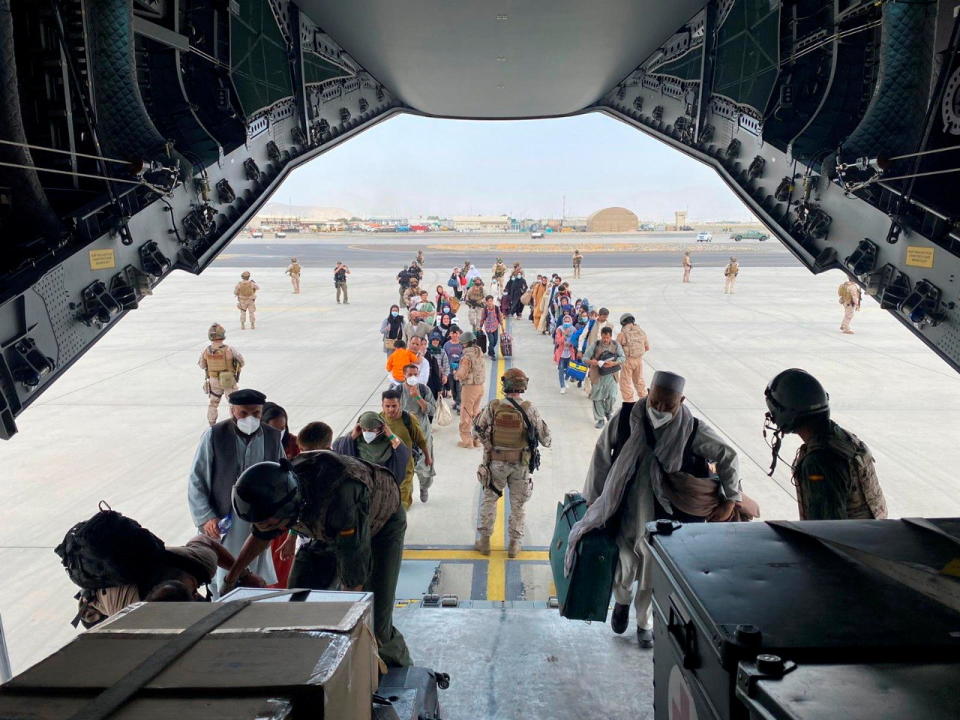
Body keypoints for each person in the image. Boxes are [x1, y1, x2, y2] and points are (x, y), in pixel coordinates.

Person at [572, 371, 742, 648]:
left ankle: (644, 623)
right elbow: (602, 453)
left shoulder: (693, 430)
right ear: (648, 392)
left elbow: (728, 456)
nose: (661, 409)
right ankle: (621, 604)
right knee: (623, 563)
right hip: (624, 507)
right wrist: (595, 497)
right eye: (656, 402)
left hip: (665, 514)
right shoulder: (626, 418)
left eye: (669, 405)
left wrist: (731, 498)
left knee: (653, 572)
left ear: (682, 401)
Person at [226, 454, 412, 667]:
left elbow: (353, 575)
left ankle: (404, 672)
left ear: (288, 509)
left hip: (380, 523)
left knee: (373, 624)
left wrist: (349, 630)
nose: (265, 529)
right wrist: (231, 578)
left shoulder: (341, 497)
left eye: (269, 524)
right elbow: (260, 536)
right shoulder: (279, 492)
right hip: (327, 526)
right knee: (298, 601)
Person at [187, 388, 281, 592]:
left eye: (256, 414)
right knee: (222, 577)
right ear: (232, 411)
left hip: (257, 522)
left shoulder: (273, 437)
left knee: (254, 576)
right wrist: (206, 517)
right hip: (223, 521)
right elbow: (197, 480)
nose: (250, 419)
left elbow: (282, 478)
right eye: (243, 413)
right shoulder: (214, 436)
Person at [764, 368, 886, 520]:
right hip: (872, 536)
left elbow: (826, 529)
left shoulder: (819, 461)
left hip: (851, 541)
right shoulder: (843, 438)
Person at [72, 533, 256, 628]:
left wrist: (244, 575)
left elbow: (204, 540)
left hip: (161, 558)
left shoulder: (200, 562)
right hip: (94, 603)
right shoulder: (128, 615)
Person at [473, 368, 552, 558]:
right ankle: (514, 545)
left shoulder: (493, 406)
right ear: (523, 385)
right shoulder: (529, 408)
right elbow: (546, 440)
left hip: (496, 463)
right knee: (518, 504)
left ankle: (484, 542)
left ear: (504, 385)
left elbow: (476, 432)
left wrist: (488, 442)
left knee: (489, 500)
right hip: (521, 464)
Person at [380, 387, 432, 509]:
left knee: (401, 504)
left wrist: (428, 457)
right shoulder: (379, 420)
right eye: (387, 406)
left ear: (400, 404)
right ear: (382, 405)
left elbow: (421, 440)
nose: (391, 409)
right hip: (387, 467)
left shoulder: (408, 419)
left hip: (405, 467)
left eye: (394, 406)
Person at [332, 411, 410, 485]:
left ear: (381, 428)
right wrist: (352, 436)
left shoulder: (389, 440)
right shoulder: (355, 438)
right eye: (364, 429)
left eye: (371, 430)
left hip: (382, 485)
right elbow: (336, 447)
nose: (367, 432)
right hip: (361, 483)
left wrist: (390, 435)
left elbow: (402, 453)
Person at [399, 364, 437, 503]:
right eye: (410, 375)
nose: (412, 378)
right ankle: (405, 495)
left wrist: (418, 398)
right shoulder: (397, 391)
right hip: (404, 435)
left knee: (424, 466)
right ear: (404, 375)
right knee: (403, 467)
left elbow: (432, 411)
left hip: (422, 432)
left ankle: (424, 487)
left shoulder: (424, 389)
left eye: (415, 374)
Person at [199, 323, 244, 426]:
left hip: (213, 380)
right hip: (228, 379)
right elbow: (241, 361)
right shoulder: (229, 349)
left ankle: (212, 424)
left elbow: (202, 365)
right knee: (233, 403)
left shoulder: (206, 350)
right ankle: (235, 425)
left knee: (213, 404)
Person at [586, 327, 625, 427]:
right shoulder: (595, 345)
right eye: (604, 337)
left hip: (612, 376)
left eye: (607, 338)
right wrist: (592, 362)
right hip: (598, 375)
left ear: (611, 337)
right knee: (597, 398)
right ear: (601, 336)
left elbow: (623, 357)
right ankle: (600, 419)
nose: (605, 340)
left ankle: (608, 411)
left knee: (612, 396)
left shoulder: (616, 345)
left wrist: (614, 363)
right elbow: (585, 358)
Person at [454, 331, 486, 448]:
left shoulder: (466, 357)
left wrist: (456, 374)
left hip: (470, 387)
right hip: (480, 387)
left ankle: (467, 441)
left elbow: (462, 373)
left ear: (465, 344)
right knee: (476, 414)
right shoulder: (479, 353)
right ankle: (476, 440)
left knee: (466, 413)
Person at [616, 312, 650, 402]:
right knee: (640, 382)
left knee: (625, 384)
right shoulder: (641, 332)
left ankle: (629, 404)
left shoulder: (622, 334)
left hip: (627, 361)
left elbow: (615, 349)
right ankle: (645, 402)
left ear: (623, 323)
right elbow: (647, 347)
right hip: (639, 360)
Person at [554, 313, 577, 394]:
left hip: (570, 353)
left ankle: (566, 379)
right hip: (561, 353)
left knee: (569, 370)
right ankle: (562, 386)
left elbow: (576, 341)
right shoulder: (559, 329)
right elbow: (558, 341)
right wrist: (564, 335)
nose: (567, 323)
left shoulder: (574, 330)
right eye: (565, 321)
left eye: (568, 321)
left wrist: (570, 343)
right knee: (561, 370)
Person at [443, 327, 464, 410]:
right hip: (449, 370)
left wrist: (458, 366)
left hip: (460, 370)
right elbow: (444, 357)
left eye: (456, 333)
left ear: (459, 334)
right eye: (453, 333)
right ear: (450, 334)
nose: (455, 335)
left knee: (459, 387)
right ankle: (456, 401)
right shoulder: (446, 345)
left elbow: (464, 356)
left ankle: (459, 404)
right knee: (452, 387)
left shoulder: (462, 344)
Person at [480, 294, 505, 360]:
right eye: (488, 301)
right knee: (491, 340)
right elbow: (482, 318)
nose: (490, 302)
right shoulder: (485, 309)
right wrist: (480, 326)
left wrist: (502, 325)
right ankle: (492, 354)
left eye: (491, 301)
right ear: (486, 302)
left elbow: (499, 316)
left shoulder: (496, 308)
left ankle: (490, 349)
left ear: (493, 301)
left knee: (495, 341)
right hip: (488, 328)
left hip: (495, 326)